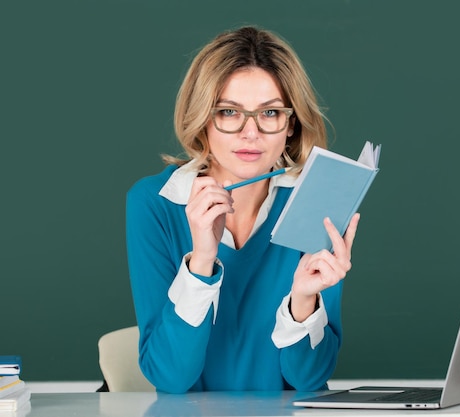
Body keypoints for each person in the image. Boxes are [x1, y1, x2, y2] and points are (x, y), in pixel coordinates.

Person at [125, 26, 360, 394]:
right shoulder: (154, 202)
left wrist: (303, 299)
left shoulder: (318, 198)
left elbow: (310, 379)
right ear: (203, 118)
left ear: (290, 125)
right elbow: (169, 377)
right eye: (229, 112)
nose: (250, 132)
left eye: (269, 112)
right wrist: (202, 259)